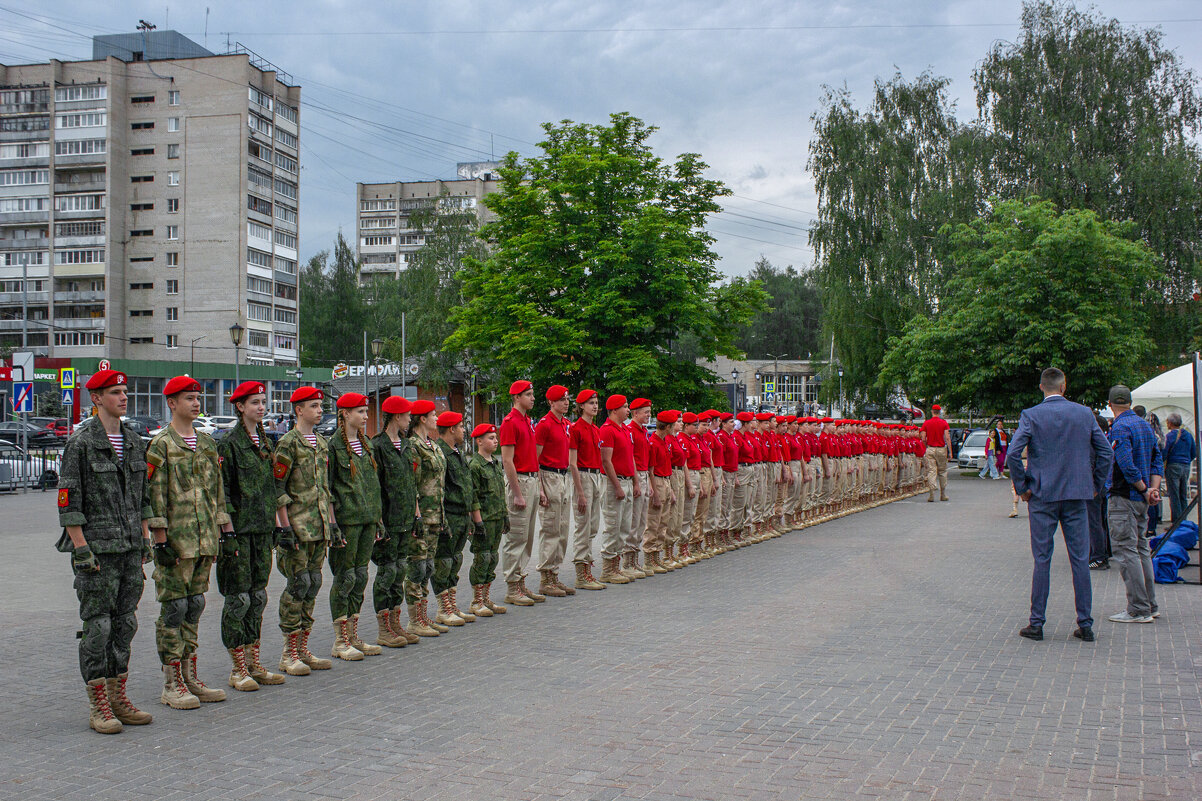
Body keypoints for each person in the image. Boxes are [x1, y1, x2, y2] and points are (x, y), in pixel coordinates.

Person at [58, 369, 154, 733]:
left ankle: (118, 695)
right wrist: (81, 549)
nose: (123, 397)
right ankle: (98, 701)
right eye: (115, 392)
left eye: (125, 391)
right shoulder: (81, 443)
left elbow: (143, 498)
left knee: (124, 624)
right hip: (97, 552)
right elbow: (69, 503)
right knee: (97, 627)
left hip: (130, 549)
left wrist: (145, 537)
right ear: (97, 399)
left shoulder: (133, 441)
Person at [1007, 368, 1113, 643]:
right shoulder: (1083, 414)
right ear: (1064, 386)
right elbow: (1105, 452)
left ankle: (1037, 622)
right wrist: (1095, 485)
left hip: (1042, 495)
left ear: (1041, 387)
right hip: (1078, 495)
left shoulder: (1031, 415)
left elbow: (1013, 454)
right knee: (1080, 559)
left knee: (1042, 558)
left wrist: (1023, 488)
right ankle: (1085, 623)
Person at [147, 376, 232, 708]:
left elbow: (217, 492)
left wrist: (224, 530)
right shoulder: (161, 445)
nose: (196, 404)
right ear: (172, 403)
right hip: (176, 543)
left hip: (205, 539)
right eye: (189, 399)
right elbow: (154, 495)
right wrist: (160, 539)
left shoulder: (208, 444)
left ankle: (189, 675)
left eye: (198, 398)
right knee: (174, 608)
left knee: (195, 606)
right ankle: (171, 683)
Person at [217, 381, 286, 692]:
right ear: (240, 407)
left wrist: (277, 524)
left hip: (261, 532)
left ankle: (254, 661)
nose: (261, 407)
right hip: (240, 533)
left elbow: (270, 489)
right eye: (254, 402)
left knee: (258, 597)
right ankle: (237, 668)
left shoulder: (265, 443)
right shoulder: (229, 445)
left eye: (263, 401)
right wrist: (227, 531)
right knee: (238, 598)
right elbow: (225, 493)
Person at [273, 386, 336, 674]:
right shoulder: (288, 444)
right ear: (299, 410)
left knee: (312, 585)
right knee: (297, 587)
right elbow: (278, 489)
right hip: (298, 528)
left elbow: (325, 489)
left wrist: (331, 523)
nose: (320, 410)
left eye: (321, 406)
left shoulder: (321, 443)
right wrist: (284, 527)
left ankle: (303, 648)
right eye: (314, 406)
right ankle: (288, 652)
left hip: (318, 527)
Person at [326, 393, 384, 660]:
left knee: (360, 577)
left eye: (366, 411)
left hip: (367, 520)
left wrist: (378, 519)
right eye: (360, 411)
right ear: (345, 414)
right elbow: (328, 488)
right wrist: (333, 524)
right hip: (347, 521)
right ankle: (340, 640)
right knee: (345, 578)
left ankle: (353, 634)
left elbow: (372, 485)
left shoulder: (366, 444)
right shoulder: (333, 446)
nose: (366, 416)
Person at [1106, 386, 1164, 624]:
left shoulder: (1119, 427)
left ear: (1110, 404)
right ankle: (1150, 604)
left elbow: (1126, 464)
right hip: (1142, 499)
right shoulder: (1145, 425)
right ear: (1130, 402)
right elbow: (1157, 459)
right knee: (1141, 550)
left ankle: (1138, 609)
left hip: (1125, 497)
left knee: (1126, 551)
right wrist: (1153, 490)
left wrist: (1142, 487)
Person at [370, 396, 421, 648]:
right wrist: (379, 521)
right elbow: (375, 486)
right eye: (407, 415)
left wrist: (417, 514)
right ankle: (383, 628)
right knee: (387, 572)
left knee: (400, 570)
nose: (410, 419)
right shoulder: (377, 445)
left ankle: (395, 621)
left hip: (405, 518)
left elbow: (412, 483)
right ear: (395, 416)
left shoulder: (406, 444)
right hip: (388, 520)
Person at [498, 381, 546, 606]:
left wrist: (540, 487)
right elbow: (507, 460)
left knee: (527, 538)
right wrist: (517, 493)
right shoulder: (510, 422)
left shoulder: (527, 421)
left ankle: (520, 581)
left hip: (532, 480)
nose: (533, 398)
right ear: (517, 397)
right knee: (516, 537)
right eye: (528, 394)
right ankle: (511, 586)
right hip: (521, 482)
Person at [433, 410, 480, 626]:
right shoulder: (440, 453)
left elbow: (467, 486)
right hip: (449, 515)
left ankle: (451, 604)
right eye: (461, 427)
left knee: (455, 561)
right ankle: (443, 608)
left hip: (462, 515)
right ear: (451, 429)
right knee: (443, 561)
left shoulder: (457, 452)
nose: (464, 430)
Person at [406, 399, 448, 631]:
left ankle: (422, 616)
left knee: (428, 567)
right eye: (433, 415)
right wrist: (417, 515)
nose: (436, 419)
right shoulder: (413, 446)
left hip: (436, 515)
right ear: (422, 418)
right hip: (422, 516)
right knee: (417, 567)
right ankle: (414, 620)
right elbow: (412, 484)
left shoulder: (432, 445)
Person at [534, 385, 573, 598]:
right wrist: (540, 489)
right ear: (551, 403)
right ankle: (545, 578)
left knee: (563, 529)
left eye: (566, 399)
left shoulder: (566, 424)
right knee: (550, 528)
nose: (565, 403)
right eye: (561, 400)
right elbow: (536, 459)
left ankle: (554, 574)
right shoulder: (544, 425)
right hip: (548, 476)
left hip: (563, 476)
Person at [467, 423, 509, 616]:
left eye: (495, 438)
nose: (495, 441)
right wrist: (477, 521)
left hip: (497, 517)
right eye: (491, 438)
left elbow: (500, 492)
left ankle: (486, 597)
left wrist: (505, 515)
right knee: (482, 558)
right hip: (484, 519)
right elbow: (473, 496)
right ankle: (476, 601)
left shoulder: (495, 462)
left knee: (493, 557)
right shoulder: (475, 465)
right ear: (479, 441)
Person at [569, 390, 609, 585]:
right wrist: (580, 493)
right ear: (581, 406)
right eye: (590, 403)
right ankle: (581, 572)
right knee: (583, 526)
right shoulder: (576, 428)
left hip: (595, 475)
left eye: (596, 402)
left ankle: (586, 567)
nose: (595, 406)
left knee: (592, 525)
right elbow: (572, 463)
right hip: (583, 476)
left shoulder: (596, 428)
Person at [596, 394, 635, 585]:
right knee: (613, 525)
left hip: (627, 480)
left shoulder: (625, 430)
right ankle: (607, 569)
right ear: (614, 410)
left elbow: (630, 458)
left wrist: (634, 481)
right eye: (625, 407)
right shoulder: (607, 430)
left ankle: (616, 566)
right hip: (615, 483)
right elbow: (606, 460)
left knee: (624, 526)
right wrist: (617, 486)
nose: (628, 410)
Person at [643, 410, 678, 572]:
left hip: (665, 480)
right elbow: (650, 470)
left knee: (663, 522)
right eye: (673, 425)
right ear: (668, 426)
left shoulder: (665, 441)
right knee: (653, 522)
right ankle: (649, 559)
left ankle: (657, 556)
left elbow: (667, 467)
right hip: (656, 481)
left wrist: (670, 490)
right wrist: (655, 494)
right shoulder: (654, 442)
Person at [624, 398, 654, 577]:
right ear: (635, 413)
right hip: (636, 476)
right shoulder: (631, 431)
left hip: (644, 476)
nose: (648, 416)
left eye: (649, 412)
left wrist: (647, 482)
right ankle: (628, 562)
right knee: (634, 521)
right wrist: (636, 482)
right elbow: (632, 459)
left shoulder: (643, 431)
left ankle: (634, 560)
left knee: (642, 520)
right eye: (645, 412)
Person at [1087, 414, 1112, 569]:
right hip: (1101, 485)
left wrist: (1094, 485)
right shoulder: (1102, 441)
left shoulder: (1091, 442)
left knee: (1093, 521)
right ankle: (1105, 551)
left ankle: (1098, 556)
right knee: (1101, 520)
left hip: (1094, 487)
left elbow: (1090, 463)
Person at [1163, 412, 1197, 526]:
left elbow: (1164, 452)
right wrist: (1187, 460)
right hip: (1186, 466)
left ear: (1171, 423)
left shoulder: (1170, 436)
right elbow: (1194, 452)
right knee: (1183, 494)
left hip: (1173, 465)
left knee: (1174, 495)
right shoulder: (1188, 435)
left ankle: (1176, 522)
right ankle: (1184, 520)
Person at [920, 405, 951, 502]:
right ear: (939, 412)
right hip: (941, 449)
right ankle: (943, 494)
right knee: (942, 472)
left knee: (931, 471)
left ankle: (931, 493)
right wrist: (950, 451)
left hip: (931, 448)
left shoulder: (926, 423)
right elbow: (947, 437)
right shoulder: (944, 423)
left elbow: (923, 438)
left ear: (932, 411)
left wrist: (926, 447)